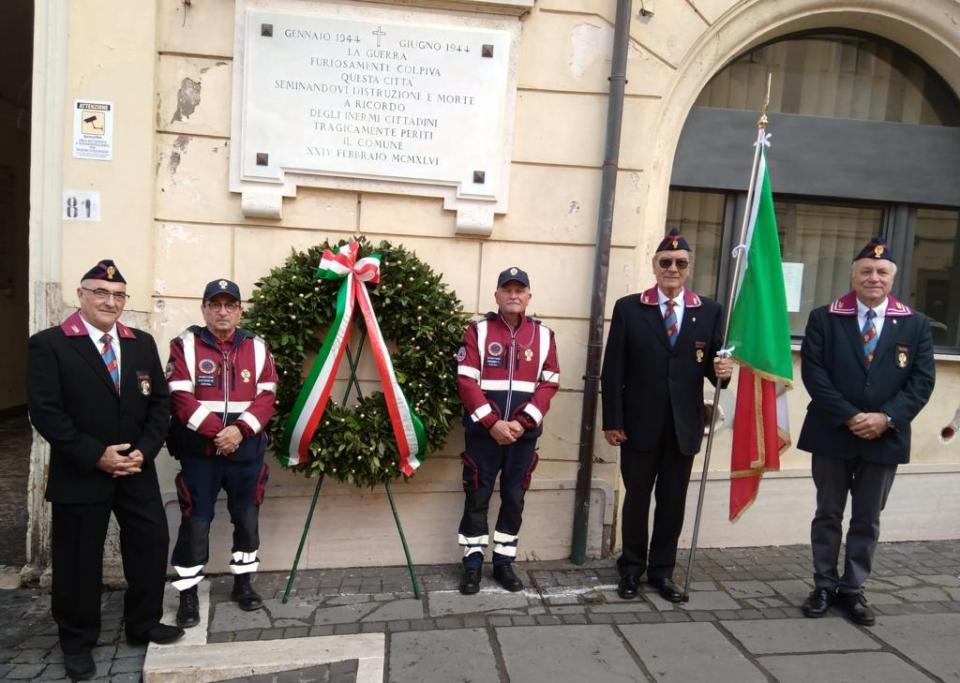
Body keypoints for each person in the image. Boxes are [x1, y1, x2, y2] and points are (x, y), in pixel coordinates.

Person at [27, 260, 183, 681]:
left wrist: (145, 452)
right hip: (82, 471)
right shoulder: (51, 344)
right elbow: (45, 412)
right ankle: (77, 641)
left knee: (150, 546)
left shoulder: (140, 343)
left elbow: (160, 405)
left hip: (136, 468)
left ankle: (143, 623)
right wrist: (95, 454)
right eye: (100, 293)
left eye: (117, 296)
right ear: (82, 295)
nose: (110, 302)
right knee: (78, 561)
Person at [798, 237, 934, 626]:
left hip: (885, 436)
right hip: (832, 433)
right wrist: (850, 416)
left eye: (881, 272)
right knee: (827, 513)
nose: (873, 277)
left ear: (893, 277)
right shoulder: (825, 317)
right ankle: (823, 585)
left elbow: (921, 382)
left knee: (868, 517)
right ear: (853, 275)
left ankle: (853, 590)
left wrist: (886, 418)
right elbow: (814, 373)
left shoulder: (916, 323)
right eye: (866, 271)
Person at [601, 229, 733, 602]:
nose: (672, 268)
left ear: (689, 268)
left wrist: (723, 371)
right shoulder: (630, 308)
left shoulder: (708, 311)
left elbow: (712, 367)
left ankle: (662, 571)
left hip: (683, 426)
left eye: (680, 263)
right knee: (637, 498)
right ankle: (630, 568)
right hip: (638, 425)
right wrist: (612, 420)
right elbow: (613, 370)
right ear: (655, 266)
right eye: (665, 262)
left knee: (673, 501)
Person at [166, 278, 278, 627]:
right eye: (215, 304)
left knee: (246, 519)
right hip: (201, 454)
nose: (222, 311)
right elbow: (180, 397)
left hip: (246, 455)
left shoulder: (257, 347)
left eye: (230, 305)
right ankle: (187, 595)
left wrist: (240, 431)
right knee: (196, 522)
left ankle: (243, 584)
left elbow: (268, 396)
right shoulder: (184, 345)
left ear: (240, 310)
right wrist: (220, 434)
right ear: (204, 309)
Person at [455, 267, 559, 594]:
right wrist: (492, 423)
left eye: (520, 289)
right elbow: (466, 381)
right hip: (484, 436)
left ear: (528, 296)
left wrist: (521, 423)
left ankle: (503, 562)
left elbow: (550, 383)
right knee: (477, 496)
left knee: (514, 498)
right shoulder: (477, 331)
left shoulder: (544, 336)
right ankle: (472, 564)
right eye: (507, 289)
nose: (513, 295)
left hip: (522, 437)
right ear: (497, 295)